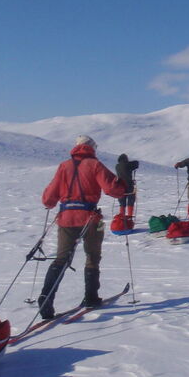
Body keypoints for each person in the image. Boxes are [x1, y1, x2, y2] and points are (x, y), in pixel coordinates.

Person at [39, 135, 127, 318]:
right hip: (92, 218)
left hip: (65, 218)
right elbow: (112, 189)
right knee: (93, 256)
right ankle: (91, 296)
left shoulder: (64, 166)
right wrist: (124, 183)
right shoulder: (95, 165)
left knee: (61, 259)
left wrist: (50, 202)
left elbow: (48, 199)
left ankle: (46, 297)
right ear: (92, 148)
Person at [115, 154, 140, 222]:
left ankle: (121, 218)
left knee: (122, 203)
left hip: (120, 187)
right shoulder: (128, 165)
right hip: (129, 186)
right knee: (130, 201)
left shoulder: (117, 166)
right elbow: (136, 163)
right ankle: (129, 218)